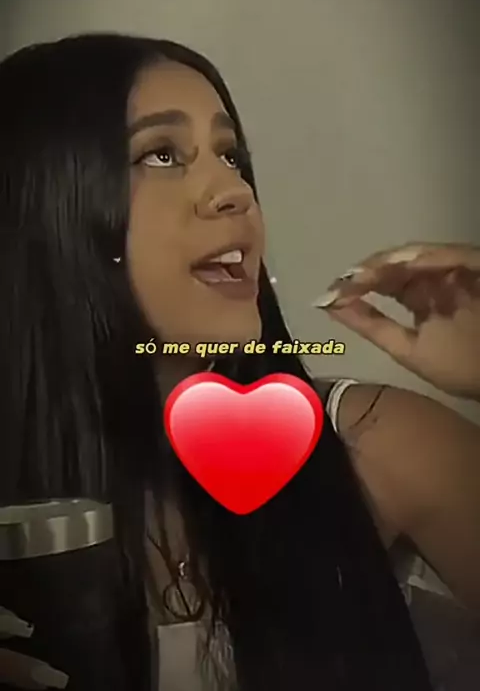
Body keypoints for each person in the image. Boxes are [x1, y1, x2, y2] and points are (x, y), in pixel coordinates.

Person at [0, 34, 478, 691]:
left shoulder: (378, 444)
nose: (233, 191)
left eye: (231, 156)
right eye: (161, 154)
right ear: (43, 206)